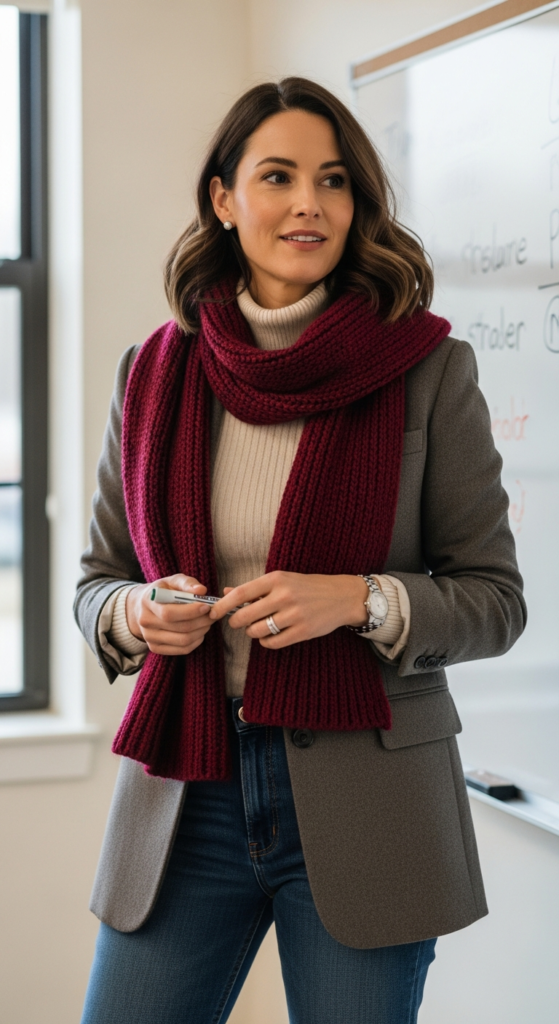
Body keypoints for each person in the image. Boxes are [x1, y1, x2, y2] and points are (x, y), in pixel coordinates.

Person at [75, 77, 526, 1024]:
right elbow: (98, 581)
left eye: (333, 181)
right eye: (276, 176)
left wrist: (360, 599)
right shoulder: (153, 369)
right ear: (223, 197)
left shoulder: (429, 370)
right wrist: (135, 611)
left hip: (370, 797)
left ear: (358, 202)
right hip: (184, 793)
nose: (307, 203)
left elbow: (493, 599)